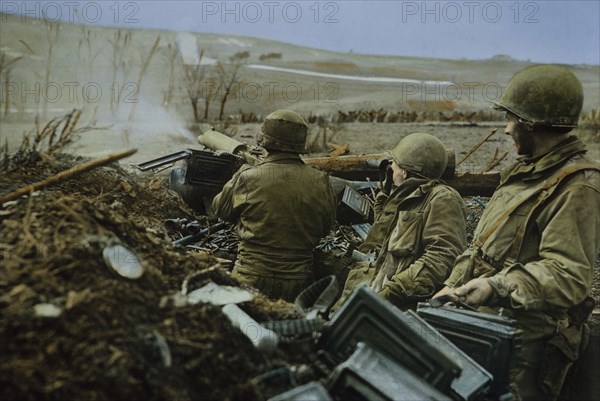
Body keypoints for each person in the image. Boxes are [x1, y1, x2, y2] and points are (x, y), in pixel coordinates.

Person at [433, 64, 599, 401]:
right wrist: (453, 285)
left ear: (532, 124)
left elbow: (568, 274)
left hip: (526, 348)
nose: (507, 129)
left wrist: (495, 286)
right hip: (490, 329)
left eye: (512, 119)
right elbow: (483, 247)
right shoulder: (526, 173)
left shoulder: (577, 186)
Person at [211, 109, 337, 302]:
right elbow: (326, 226)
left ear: (264, 143)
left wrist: (239, 175)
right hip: (299, 283)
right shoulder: (320, 180)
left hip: (250, 276)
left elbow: (220, 210)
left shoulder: (248, 176)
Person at [333, 133, 468, 311]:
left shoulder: (442, 198)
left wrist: (393, 290)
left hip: (397, 304)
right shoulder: (404, 197)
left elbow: (441, 257)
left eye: (394, 164)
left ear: (405, 171)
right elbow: (380, 236)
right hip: (369, 292)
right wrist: (387, 190)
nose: (391, 168)